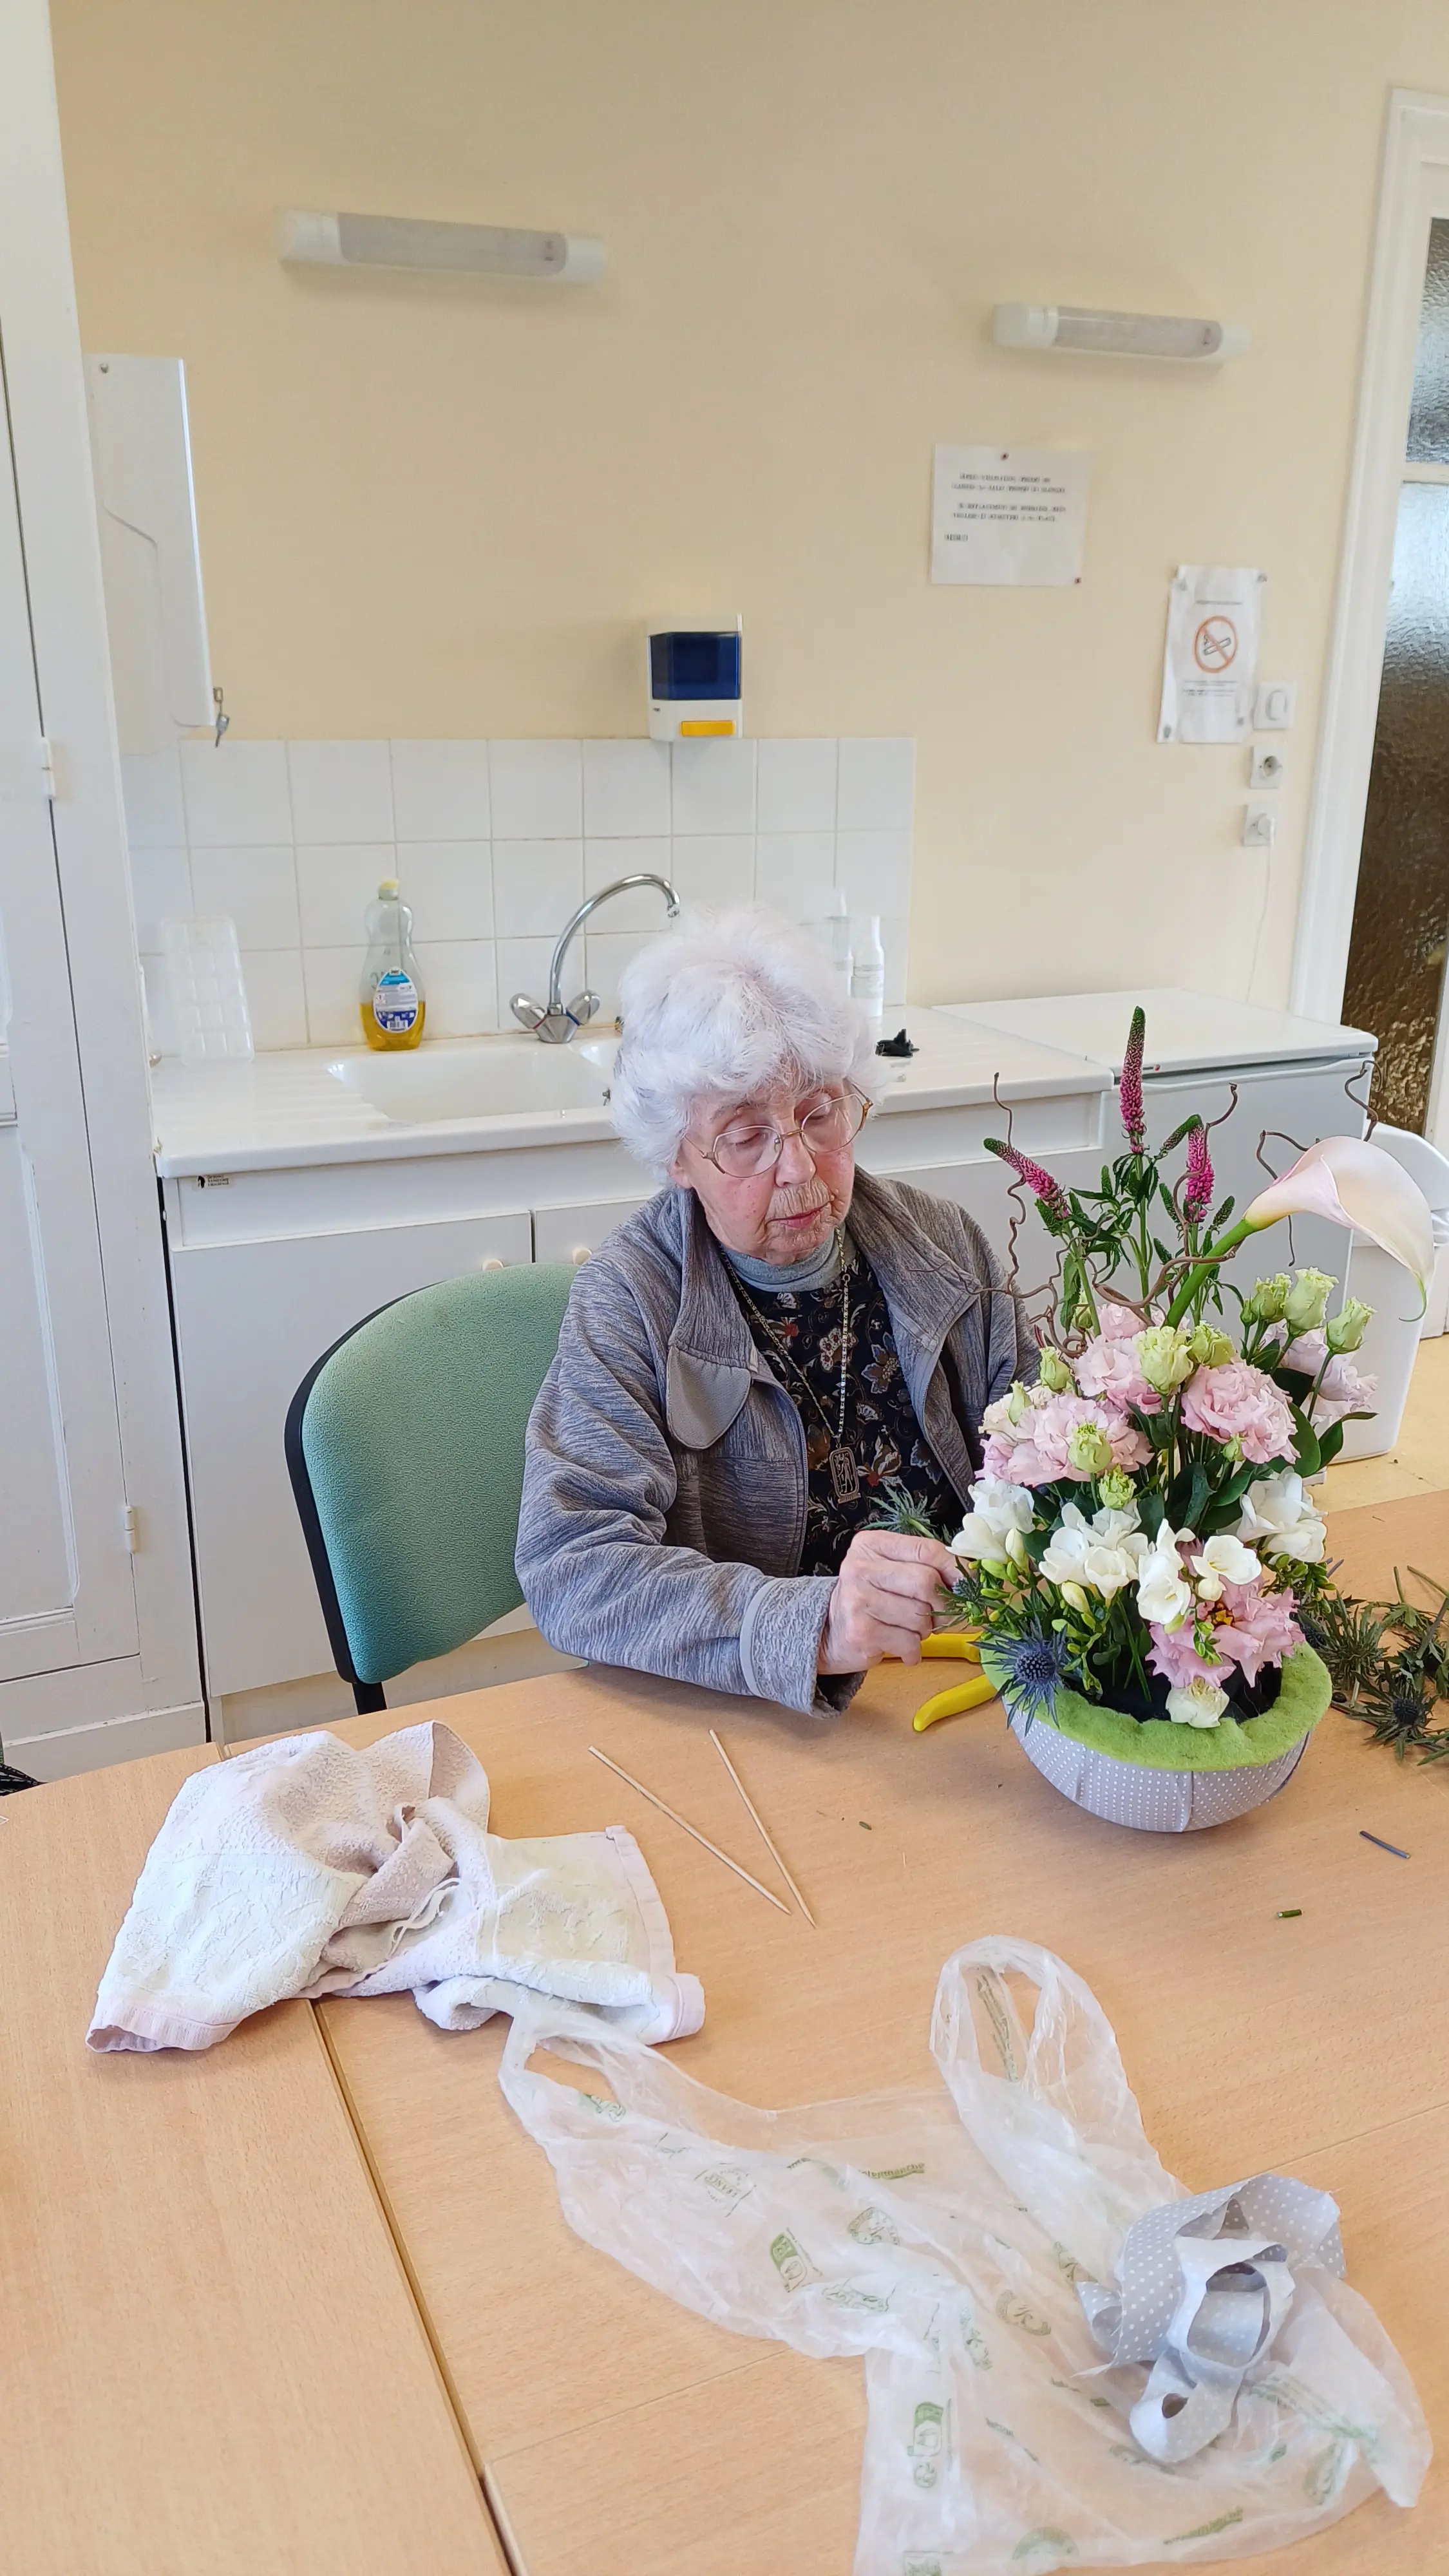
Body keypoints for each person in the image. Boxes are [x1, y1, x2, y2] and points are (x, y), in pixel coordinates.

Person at [516, 909, 1035, 1713]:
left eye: (819, 1114)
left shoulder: (946, 1247)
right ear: (678, 1156)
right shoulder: (631, 1298)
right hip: (756, 1717)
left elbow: (1049, 1471)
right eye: (745, 1135)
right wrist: (813, 1626)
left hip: (971, 1689)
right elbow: (574, 1564)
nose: (799, 1167)